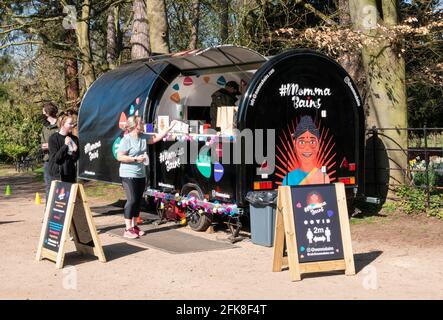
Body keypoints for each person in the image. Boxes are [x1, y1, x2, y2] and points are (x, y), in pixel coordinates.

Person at [117, 115, 177, 239]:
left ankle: (134, 227)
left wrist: (169, 128)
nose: (143, 123)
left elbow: (155, 139)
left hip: (141, 173)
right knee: (132, 200)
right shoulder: (126, 139)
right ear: (135, 126)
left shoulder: (143, 137)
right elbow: (120, 157)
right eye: (141, 122)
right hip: (128, 174)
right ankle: (127, 229)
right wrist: (135, 159)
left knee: (138, 201)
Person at [282, 116, 330, 186]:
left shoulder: (324, 177)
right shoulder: (288, 178)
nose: (307, 148)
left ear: (319, 145)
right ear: (294, 146)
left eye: (312, 142)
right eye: (302, 142)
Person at [48, 113, 79, 184]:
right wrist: (65, 145)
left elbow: (75, 158)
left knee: (71, 195)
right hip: (57, 175)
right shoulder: (53, 138)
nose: (72, 125)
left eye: (73, 124)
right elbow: (56, 158)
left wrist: (75, 151)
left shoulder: (74, 139)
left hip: (70, 174)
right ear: (62, 124)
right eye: (70, 124)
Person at [41, 102, 59, 203]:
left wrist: (51, 145)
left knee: (62, 186)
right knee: (49, 187)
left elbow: (64, 143)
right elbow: (43, 145)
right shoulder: (45, 128)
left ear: (48, 112)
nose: (42, 114)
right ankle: (48, 214)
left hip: (61, 161)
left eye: (43, 112)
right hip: (48, 161)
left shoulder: (61, 124)